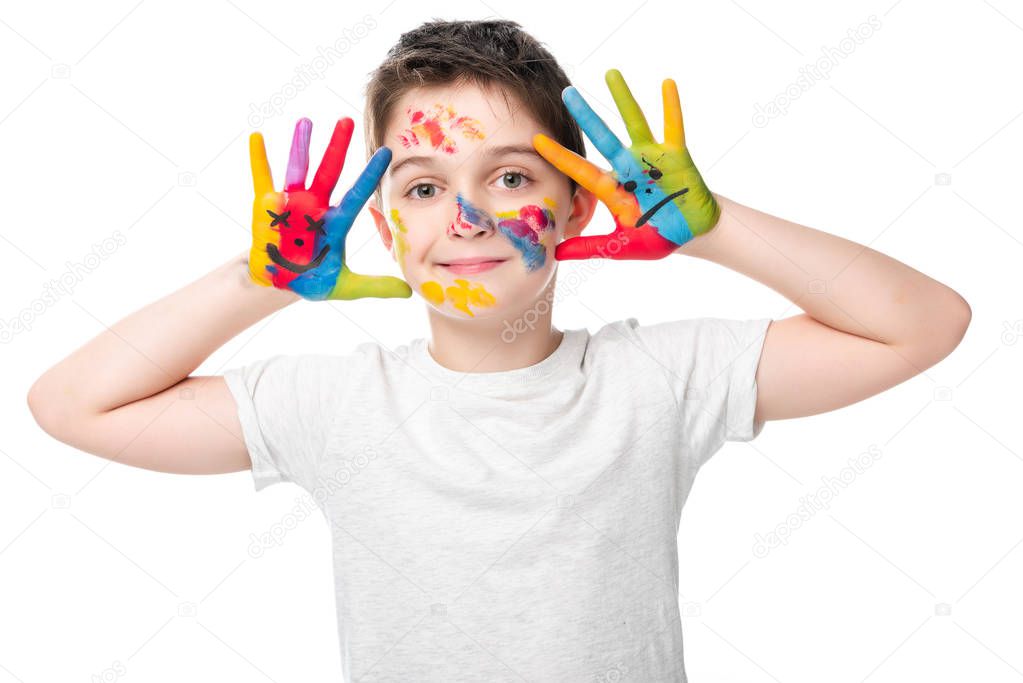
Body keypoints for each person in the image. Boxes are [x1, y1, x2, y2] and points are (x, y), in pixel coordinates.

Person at [27, 18, 970, 682]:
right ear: (385, 223)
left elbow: (922, 323)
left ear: (579, 204)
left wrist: (708, 229)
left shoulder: (661, 379)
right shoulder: (331, 404)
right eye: (424, 186)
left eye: (509, 174)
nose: (466, 215)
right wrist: (260, 278)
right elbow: (71, 405)